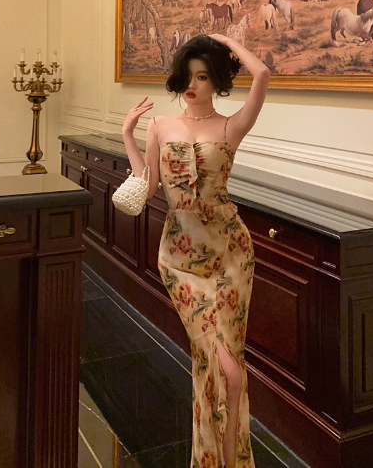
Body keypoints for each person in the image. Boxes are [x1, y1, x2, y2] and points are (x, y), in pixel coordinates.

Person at [121, 34, 270, 468]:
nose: (192, 84)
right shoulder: (160, 126)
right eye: (187, 75)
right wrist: (128, 135)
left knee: (232, 371)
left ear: (217, 81)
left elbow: (262, 73)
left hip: (231, 254)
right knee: (213, 362)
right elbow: (148, 187)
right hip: (180, 259)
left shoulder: (230, 127)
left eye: (203, 76)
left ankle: (232, 460)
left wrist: (225, 40)